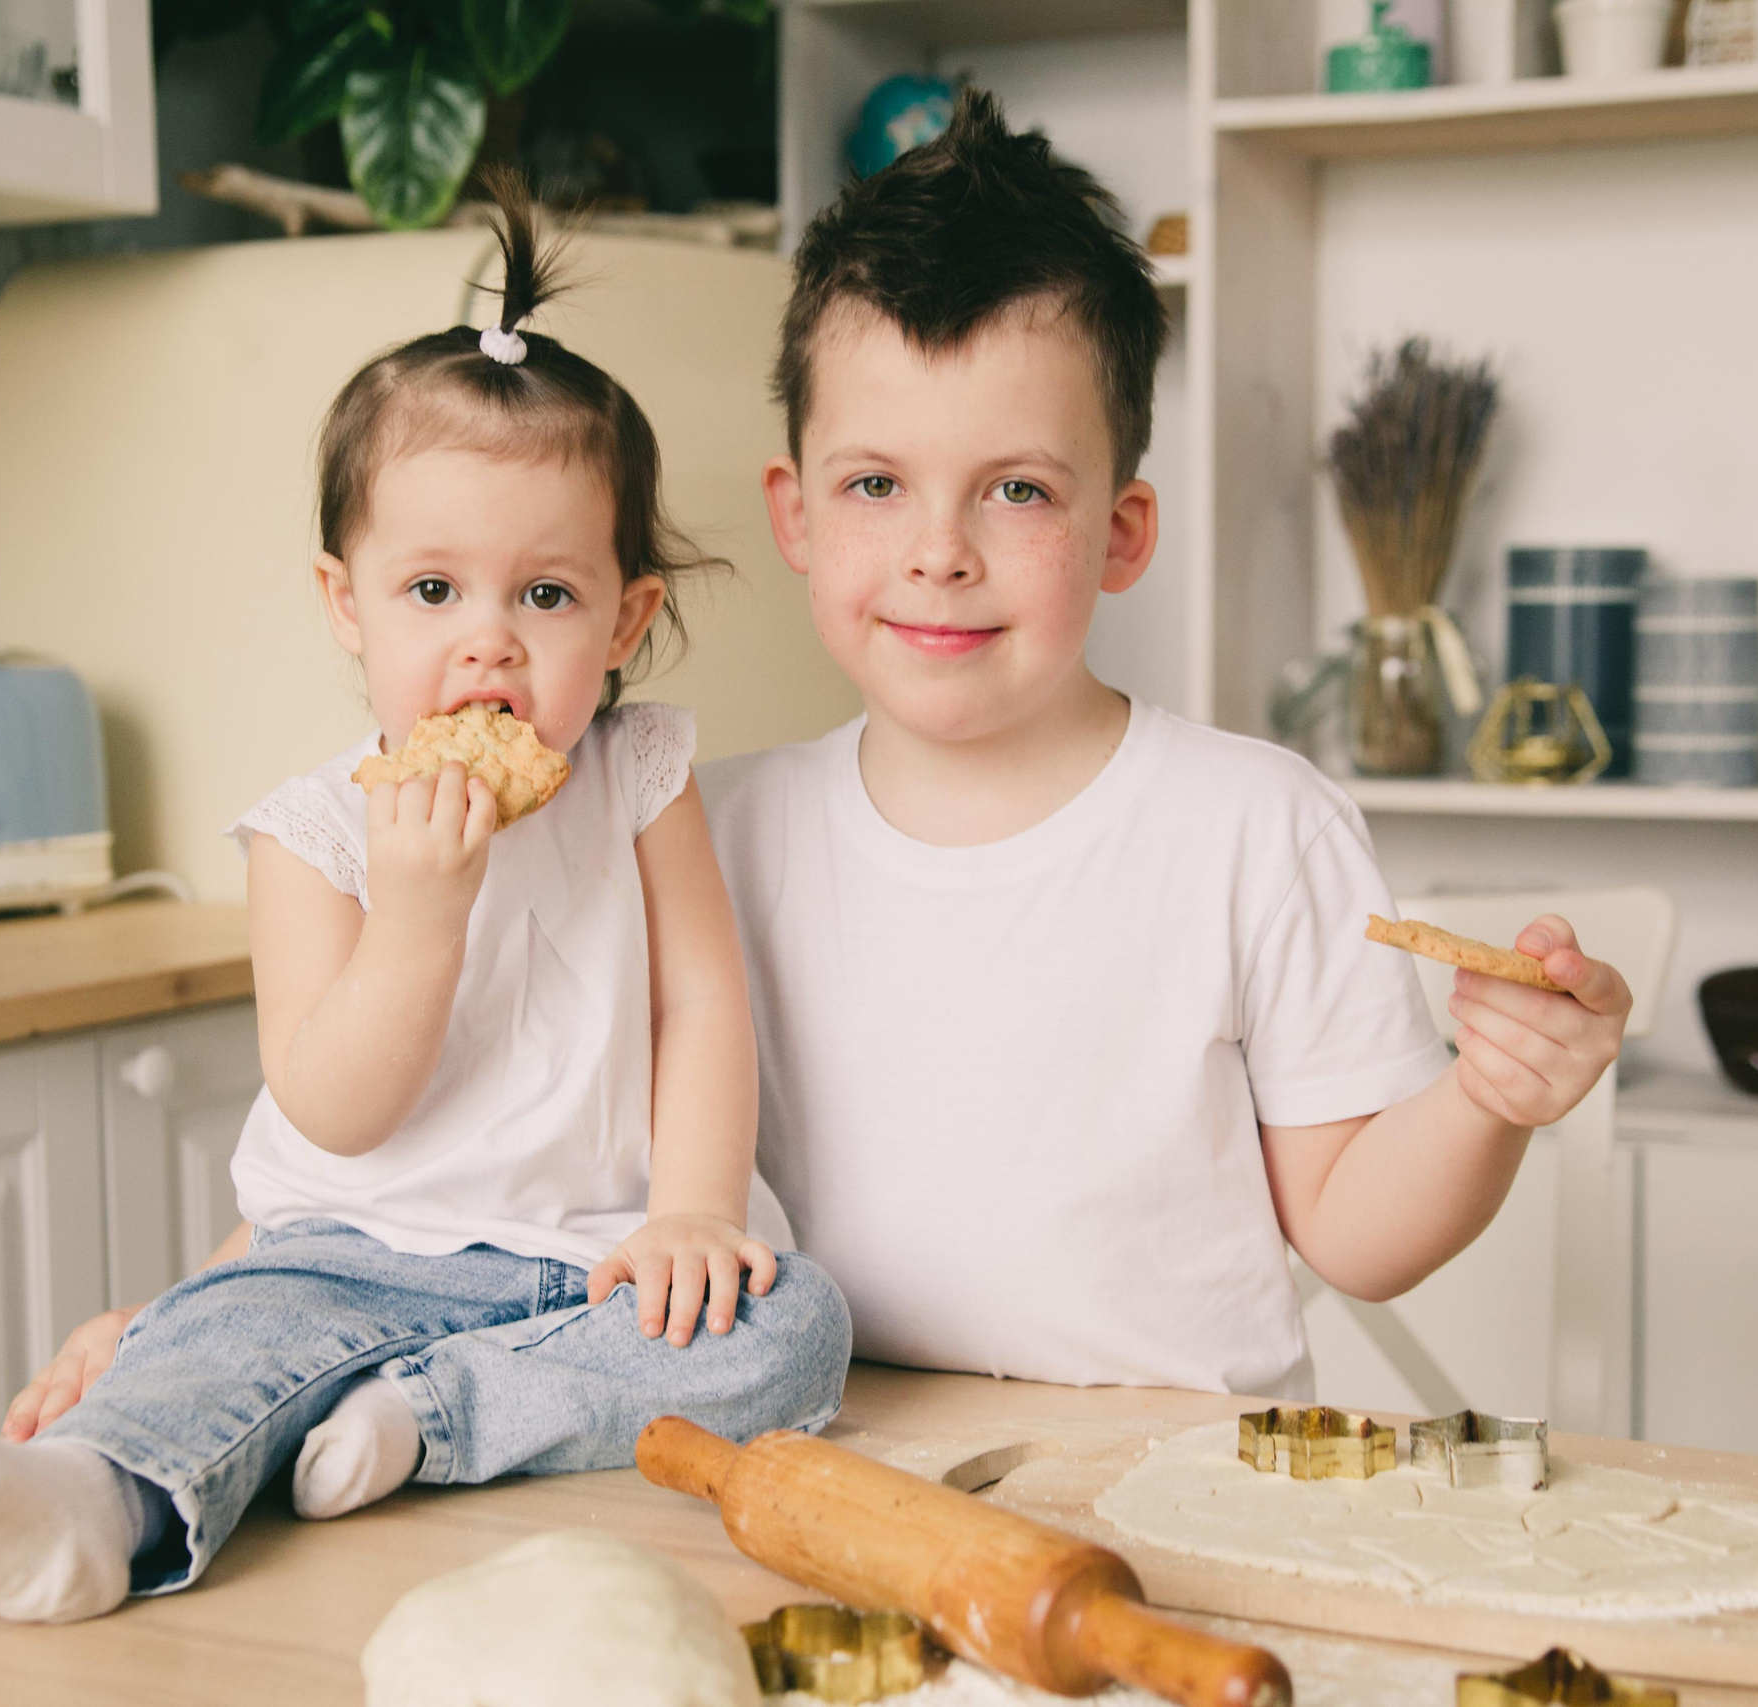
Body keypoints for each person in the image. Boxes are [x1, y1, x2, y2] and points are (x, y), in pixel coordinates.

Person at [0, 184, 850, 1624]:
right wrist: (419, 919)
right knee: (235, 1335)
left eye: (547, 597)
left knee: (797, 1324)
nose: (488, 643)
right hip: (350, 1255)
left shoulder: (639, 775)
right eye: (432, 590)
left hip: (590, 1265)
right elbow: (331, 1111)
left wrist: (692, 1210)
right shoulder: (313, 834)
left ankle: (428, 1420)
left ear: (626, 617)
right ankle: (86, 1500)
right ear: (345, 603)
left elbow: (699, 1002)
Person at [698, 89, 1632, 1399]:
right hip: (840, 1464)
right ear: (795, 514)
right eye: (876, 484)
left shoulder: (1257, 828)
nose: (938, 552)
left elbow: (1357, 1237)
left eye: (1017, 489)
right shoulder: (709, 835)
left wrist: (1491, 1096)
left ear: (1123, 532)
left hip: (1176, 1474)